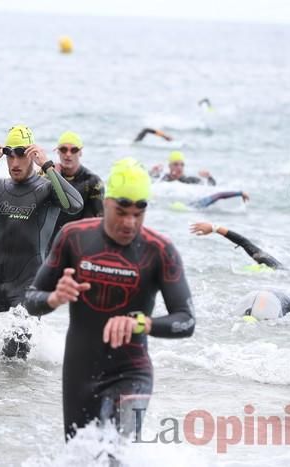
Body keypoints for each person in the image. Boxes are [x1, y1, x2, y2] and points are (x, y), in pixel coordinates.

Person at [24, 158, 195, 441]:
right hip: (80, 372)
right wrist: (54, 298)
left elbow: (186, 320)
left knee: (115, 453)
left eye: (139, 214)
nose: (130, 223)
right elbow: (31, 300)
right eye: (122, 211)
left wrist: (142, 323)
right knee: (79, 457)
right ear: (106, 203)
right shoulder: (73, 238)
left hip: (131, 372)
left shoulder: (159, 250)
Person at [0, 125, 83, 358]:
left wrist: (47, 166)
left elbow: (74, 204)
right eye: (10, 155)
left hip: (30, 282)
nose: (14, 162)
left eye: (21, 154)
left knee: (15, 356)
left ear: (32, 154)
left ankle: (19, 395)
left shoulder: (47, 189)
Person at [47, 131, 103, 248]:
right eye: (63, 149)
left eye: (73, 150)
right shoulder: (48, 176)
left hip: (77, 243)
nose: (68, 154)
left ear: (80, 152)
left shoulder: (92, 181)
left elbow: (99, 219)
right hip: (49, 242)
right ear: (57, 151)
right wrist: (53, 177)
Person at [190, 221, 282, 269]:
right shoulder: (277, 268)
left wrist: (215, 228)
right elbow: (245, 243)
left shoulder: (275, 267)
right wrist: (214, 228)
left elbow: (245, 243)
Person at [150, 151, 216, 185]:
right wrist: (152, 172)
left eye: (182, 165)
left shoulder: (189, 180)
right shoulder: (163, 178)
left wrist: (209, 177)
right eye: (175, 164)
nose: (179, 167)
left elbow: (211, 187)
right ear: (170, 166)